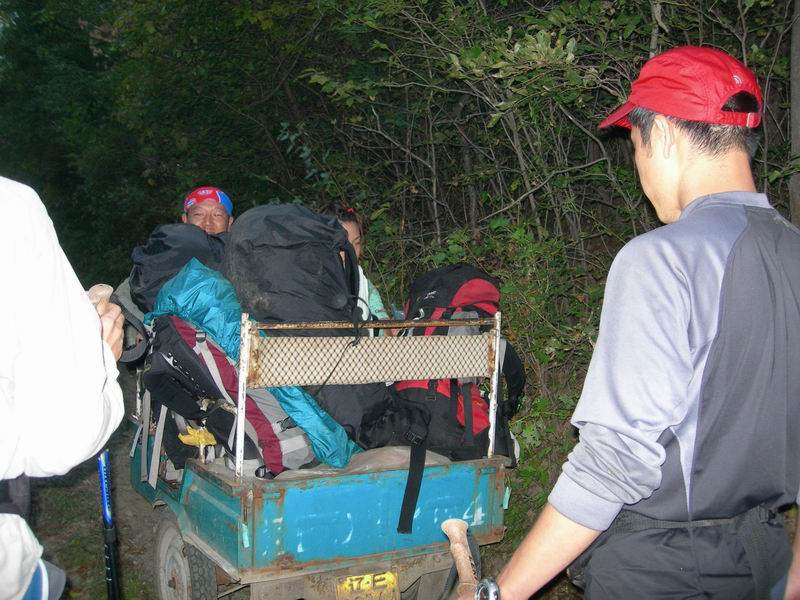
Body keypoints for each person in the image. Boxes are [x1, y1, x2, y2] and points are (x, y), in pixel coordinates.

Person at [465, 46, 800, 600]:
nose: (639, 164)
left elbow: (613, 464)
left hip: (661, 569)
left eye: (636, 144)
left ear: (662, 133)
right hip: (762, 558)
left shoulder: (663, 259)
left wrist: (499, 592)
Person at [0, 176, 125, 600]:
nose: (209, 222)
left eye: (217, 214)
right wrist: (100, 357)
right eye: (199, 213)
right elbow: (61, 437)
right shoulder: (12, 207)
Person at [323, 205, 390, 323]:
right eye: (344, 245)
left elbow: (382, 320)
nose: (352, 251)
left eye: (357, 243)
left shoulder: (362, 282)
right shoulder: (309, 280)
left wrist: (387, 327)